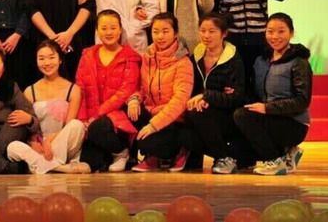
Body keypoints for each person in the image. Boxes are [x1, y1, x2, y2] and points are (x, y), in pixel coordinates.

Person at [234, 13, 312, 176]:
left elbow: (302, 101)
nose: (275, 36)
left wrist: (267, 108)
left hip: (293, 123)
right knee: (241, 153)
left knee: (242, 116)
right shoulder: (261, 60)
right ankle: (287, 153)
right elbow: (254, 92)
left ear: (291, 33)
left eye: (281, 31)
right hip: (269, 118)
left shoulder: (299, 62)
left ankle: (276, 160)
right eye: (270, 31)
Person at [7, 40, 90, 174]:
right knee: (12, 147)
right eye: (41, 58)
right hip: (38, 146)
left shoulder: (73, 89)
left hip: (62, 143)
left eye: (51, 57)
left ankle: (40, 166)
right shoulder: (30, 91)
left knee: (76, 125)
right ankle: (60, 168)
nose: (47, 63)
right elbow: (28, 128)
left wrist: (49, 142)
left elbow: (69, 125)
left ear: (60, 60)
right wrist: (35, 143)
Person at [179, 13, 246, 174]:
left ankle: (224, 157)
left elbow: (235, 97)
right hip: (200, 110)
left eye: (212, 31)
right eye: (203, 31)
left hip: (227, 115)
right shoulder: (196, 56)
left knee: (198, 113)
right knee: (184, 124)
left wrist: (207, 96)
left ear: (224, 33)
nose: (206, 35)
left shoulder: (234, 60)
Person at [127, 13, 194, 172]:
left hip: (173, 119)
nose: (160, 36)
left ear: (175, 33)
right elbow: (142, 89)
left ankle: (179, 151)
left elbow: (180, 100)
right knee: (127, 115)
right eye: (155, 31)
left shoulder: (183, 62)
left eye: (165, 31)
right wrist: (134, 99)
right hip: (151, 113)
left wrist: (154, 125)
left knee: (147, 142)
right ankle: (151, 156)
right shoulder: (148, 56)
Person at [76, 10, 141, 172]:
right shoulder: (88, 55)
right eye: (104, 28)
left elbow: (126, 91)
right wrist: (83, 120)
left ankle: (122, 152)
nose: (109, 32)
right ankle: (109, 155)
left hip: (117, 119)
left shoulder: (130, 57)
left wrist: (97, 115)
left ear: (120, 30)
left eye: (113, 28)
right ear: (97, 30)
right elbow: (80, 89)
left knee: (98, 129)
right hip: (90, 120)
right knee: (90, 162)